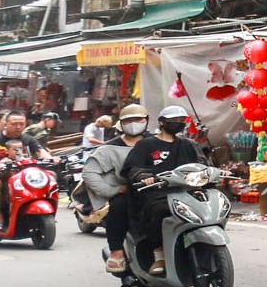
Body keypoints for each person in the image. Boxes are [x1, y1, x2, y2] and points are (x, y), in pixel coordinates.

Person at [120, 106, 203, 277]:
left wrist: (217, 173)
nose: (178, 124)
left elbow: (201, 165)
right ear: (162, 122)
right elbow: (132, 167)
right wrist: (143, 175)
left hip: (185, 191)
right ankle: (159, 254)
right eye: (174, 121)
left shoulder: (188, 145)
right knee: (160, 211)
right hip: (156, 193)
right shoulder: (146, 144)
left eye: (181, 121)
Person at [85, 105, 148, 274]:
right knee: (119, 206)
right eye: (129, 120)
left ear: (146, 121)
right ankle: (117, 252)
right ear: (121, 123)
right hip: (127, 193)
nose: (134, 124)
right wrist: (114, 190)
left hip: (157, 191)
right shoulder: (109, 148)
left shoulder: (156, 143)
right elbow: (90, 174)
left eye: (138, 120)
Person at [0, 110, 55, 232]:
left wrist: (51, 159)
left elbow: (40, 151)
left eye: (21, 124)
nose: (18, 127)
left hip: (24, 172)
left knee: (51, 175)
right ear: (5, 124)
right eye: (14, 124)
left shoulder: (28, 139)